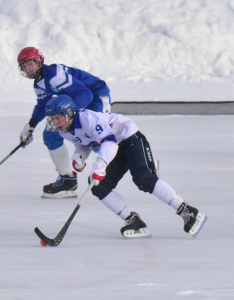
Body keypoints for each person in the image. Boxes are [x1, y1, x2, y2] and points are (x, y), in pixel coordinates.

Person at [44, 95, 207, 238]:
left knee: (144, 180)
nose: (55, 122)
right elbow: (85, 142)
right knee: (98, 186)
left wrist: (100, 165)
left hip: (130, 139)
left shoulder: (89, 119)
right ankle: (133, 220)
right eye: (53, 118)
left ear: (70, 113)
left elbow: (110, 142)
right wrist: (79, 156)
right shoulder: (65, 130)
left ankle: (188, 211)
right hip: (115, 147)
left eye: (58, 117)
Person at [15, 47, 112, 198]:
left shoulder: (55, 75)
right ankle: (68, 180)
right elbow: (42, 105)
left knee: (101, 142)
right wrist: (31, 126)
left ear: (39, 61)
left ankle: (142, 163)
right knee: (50, 134)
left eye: (30, 64)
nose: (28, 69)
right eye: (24, 66)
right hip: (72, 105)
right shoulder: (38, 84)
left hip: (96, 97)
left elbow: (85, 94)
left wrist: (71, 115)